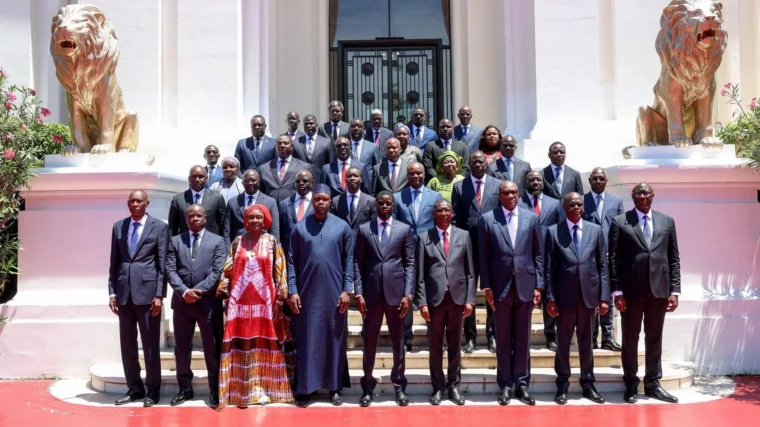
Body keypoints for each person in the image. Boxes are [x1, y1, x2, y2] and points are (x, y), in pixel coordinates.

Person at [216, 204, 295, 409]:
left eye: (259, 217)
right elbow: (228, 270)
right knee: (242, 345)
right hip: (239, 305)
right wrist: (224, 293)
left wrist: (280, 299)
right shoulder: (237, 242)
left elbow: (280, 271)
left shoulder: (272, 242)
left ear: (265, 220)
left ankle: (265, 390)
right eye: (251, 217)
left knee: (264, 345)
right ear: (246, 221)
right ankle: (241, 391)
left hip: (265, 304)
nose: (255, 221)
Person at [609, 182, 681, 404]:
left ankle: (652, 383)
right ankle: (631, 383)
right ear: (632, 196)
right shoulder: (620, 221)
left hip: (659, 290)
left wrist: (674, 290)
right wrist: (617, 291)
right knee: (630, 338)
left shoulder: (667, 221)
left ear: (653, 195)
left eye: (646, 192)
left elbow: (674, 258)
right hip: (631, 292)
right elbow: (614, 259)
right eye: (638, 192)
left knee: (654, 337)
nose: (642, 195)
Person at [287, 184, 354, 407]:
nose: (321, 202)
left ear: (330, 202)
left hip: (335, 294)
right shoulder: (299, 228)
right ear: (312, 201)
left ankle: (334, 388)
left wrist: (347, 290)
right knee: (307, 341)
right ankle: (305, 389)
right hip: (306, 295)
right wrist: (293, 290)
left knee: (334, 340)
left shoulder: (342, 227)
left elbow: (349, 260)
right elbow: (291, 262)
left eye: (325, 199)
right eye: (317, 199)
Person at [478, 180, 543, 406]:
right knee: (503, 339)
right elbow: (483, 257)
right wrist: (486, 287)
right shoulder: (488, 219)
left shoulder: (531, 218)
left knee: (523, 339)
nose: (511, 196)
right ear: (499, 195)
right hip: (500, 287)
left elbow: (538, 254)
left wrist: (539, 286)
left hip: (525, 285)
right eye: (506, 192)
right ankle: (505, 385)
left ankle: (522, 384)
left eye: (514, 192)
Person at [544, 193, 609, 405]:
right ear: (564, 207)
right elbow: (548, 269)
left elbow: (602, 266)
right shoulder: (553, 232)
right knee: (563, 343)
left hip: (589, 297)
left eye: (579, 205)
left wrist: (604, 297)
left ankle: (588, 384)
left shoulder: (595, 230)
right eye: (572, 205)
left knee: (586, 342)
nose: (576, 208)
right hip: (564, 298)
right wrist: (550, 298)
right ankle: (562, 384)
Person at [108, 190, 169, 407]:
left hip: (148, 295)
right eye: (132, 201)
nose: (135, 204)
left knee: (150, 344)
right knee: (127, 344)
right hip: (124, 294)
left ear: (146, 204)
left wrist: (159, 295)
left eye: (139, 201)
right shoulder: (119, 226)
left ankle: (153, 390)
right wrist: (112, 292)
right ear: (128, 204)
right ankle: (134, 388)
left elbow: (162, 264)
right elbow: (114, 262)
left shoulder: (159, 227)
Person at [354, 192, 415, 407]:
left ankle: (399, 386)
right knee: (369, 341)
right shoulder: (364, 229)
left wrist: (408, 294)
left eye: (388, 203)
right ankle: (367, 387)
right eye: (381, 203)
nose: (384, 206)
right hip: (371, 295)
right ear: (376, 206)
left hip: (396, 295)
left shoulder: (404, 229)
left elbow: (410, 263)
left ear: (393, 206)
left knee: (398, 342)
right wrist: (358, 293)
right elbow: (358, 263)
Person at [165, 204, 226, 407]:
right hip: (182, 303)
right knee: (182, 348)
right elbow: (170, 269)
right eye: (191, 216)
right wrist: (184, 291)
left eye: (199, 215)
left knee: (212, 348)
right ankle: (185, 389)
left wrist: (197, 292)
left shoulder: (217, 241)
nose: (195, 218)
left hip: (208, 304)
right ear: (186, 219)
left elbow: (218, 271)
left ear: (205, 218)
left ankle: (215, 390)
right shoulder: (175, 241)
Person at [416, 199, 475, 406]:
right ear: (434, 213)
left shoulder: (463, 235)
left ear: (452, 213)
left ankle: (454, 386)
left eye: (446, 210)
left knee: (455, 345)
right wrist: (422, 302)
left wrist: (470, 299)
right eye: (439, 210)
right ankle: (438, 387)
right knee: (434, 345)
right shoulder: (424, 237)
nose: (443, 213)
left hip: (457, 299)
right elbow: (420, 274)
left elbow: (470, 271)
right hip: (434, 301)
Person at [451, 151, 502, 353]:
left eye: (481, 161)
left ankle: (493, 335)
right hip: (468, 248)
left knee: (493, 294)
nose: (478, 164)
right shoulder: (459, 186)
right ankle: (470, 337)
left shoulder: (498, 185)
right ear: (469, 164)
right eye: (474, 161)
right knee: (468, 294)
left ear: (486, 163)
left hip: (493, 248)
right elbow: (455, 219)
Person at [392, 161, 442, 350]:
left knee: (431, 294)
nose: (416, 176)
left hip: (430, 251)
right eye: (412, 173)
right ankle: (406, 338)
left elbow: (439, 223)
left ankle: (433, 335)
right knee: (407, 294)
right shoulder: (398, 197)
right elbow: (395, 225)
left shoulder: (435, 196)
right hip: (405, 252)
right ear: (407, 175)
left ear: (424, 175)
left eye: (419, 173)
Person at [519, 171, 563, 351]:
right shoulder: (518, 203)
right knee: (525, 298)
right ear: (526, 183)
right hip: (526, 257)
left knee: (550, 297)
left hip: (549, 256)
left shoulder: (555, 203)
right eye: (532, 180)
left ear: (543, 183)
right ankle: (523, 336)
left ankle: (550, 335)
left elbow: (560, 228)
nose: (536, 182)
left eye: (539, 179)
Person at [583, 167, 624, 351]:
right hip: (588, 257)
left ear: (606, 181)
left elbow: (620, 228)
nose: (598, 181)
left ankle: (607, 337)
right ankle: (592, 338)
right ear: (590, 180)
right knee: (591, 297)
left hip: (609, 256)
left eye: (602, 178)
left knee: (607, 296)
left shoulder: (616, 201)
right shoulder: (581, 200)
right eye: (595, 178)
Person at [224, 169, 280, 247]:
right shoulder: (232, 202)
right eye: (247, 181)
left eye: (253, 180)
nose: (250, 183)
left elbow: (274, 230)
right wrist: (229, 250)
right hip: (239, 247)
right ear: (242, 183)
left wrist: (273, 249)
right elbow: (227, 231)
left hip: (263, 247)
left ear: (259, 182)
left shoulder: (270, 202)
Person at [168, 166, 227, 236]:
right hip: (185, 241)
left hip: (210, 241)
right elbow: (172, 228)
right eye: (194, 176)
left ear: (206, 178)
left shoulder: (217, 198)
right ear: (189, 179)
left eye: (201, 176)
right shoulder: (178, 199)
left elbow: (223, 225)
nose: (197, 179)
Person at [258, 135, 311, 203]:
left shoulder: (304, 167)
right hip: (270, 207)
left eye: (286, 143)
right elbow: (261, 193)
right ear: (275, 147)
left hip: (293, 206)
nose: (282, 145)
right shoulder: (264, 168)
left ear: (292, 147)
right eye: (279, 143)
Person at [293, 115, 335, 184]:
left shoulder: (326, 142)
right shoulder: (295, 142)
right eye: (306, 124)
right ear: (303, 125)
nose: (309, 126)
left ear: (316, 125)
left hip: (320, 181)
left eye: (311, 123)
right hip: (301, 183)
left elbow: (331, 164)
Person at [331, 166, 376, 231]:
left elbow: (373, 225)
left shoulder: (371, 201)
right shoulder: (336, 201)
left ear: (361, 180)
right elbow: (333, 224)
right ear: (345, 180)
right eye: (349, 176)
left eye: (355, 176)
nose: (352, 178)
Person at [279, 170, 314, 254]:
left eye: (305, 181)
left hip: (311, 250)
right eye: (297, 181)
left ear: (312, 183)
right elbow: (281, 230)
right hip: (289, 251)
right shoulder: (284, 204)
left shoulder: (318, 203)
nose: (301, 183)